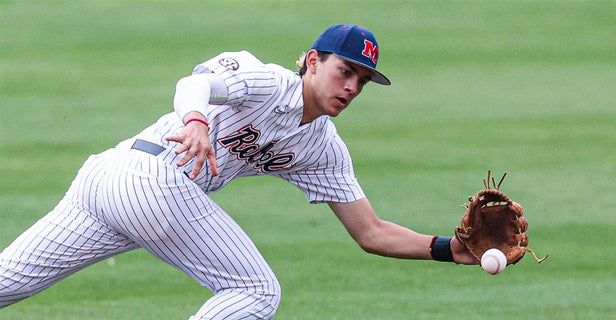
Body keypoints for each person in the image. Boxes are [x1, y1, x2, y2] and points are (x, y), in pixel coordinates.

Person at [0, 24, 476, 319]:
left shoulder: (322, 147)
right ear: (312, 61)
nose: (351, 87)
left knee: (8, 283)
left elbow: (371, 232)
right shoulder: (266, 80)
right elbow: (194, 84)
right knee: (254, 290)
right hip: (140, 179)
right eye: (344, 71)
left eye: (362, 81)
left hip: (123, 188)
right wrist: (196, 122)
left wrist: (447, 249)